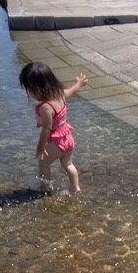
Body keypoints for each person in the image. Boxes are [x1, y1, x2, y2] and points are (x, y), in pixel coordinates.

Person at [19, 61, 87, 194]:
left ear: (38, 89)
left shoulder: (46, 107)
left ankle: (44, 190)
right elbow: (72, 90)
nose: (31, 94)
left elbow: (46, 129)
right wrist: (79, 83)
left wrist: (41, 146)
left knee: (43, 163)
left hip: (56, 142)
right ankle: (75, 188)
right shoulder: (60, 94)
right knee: (68, 164)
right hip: (68, 138)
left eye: (31, 90)